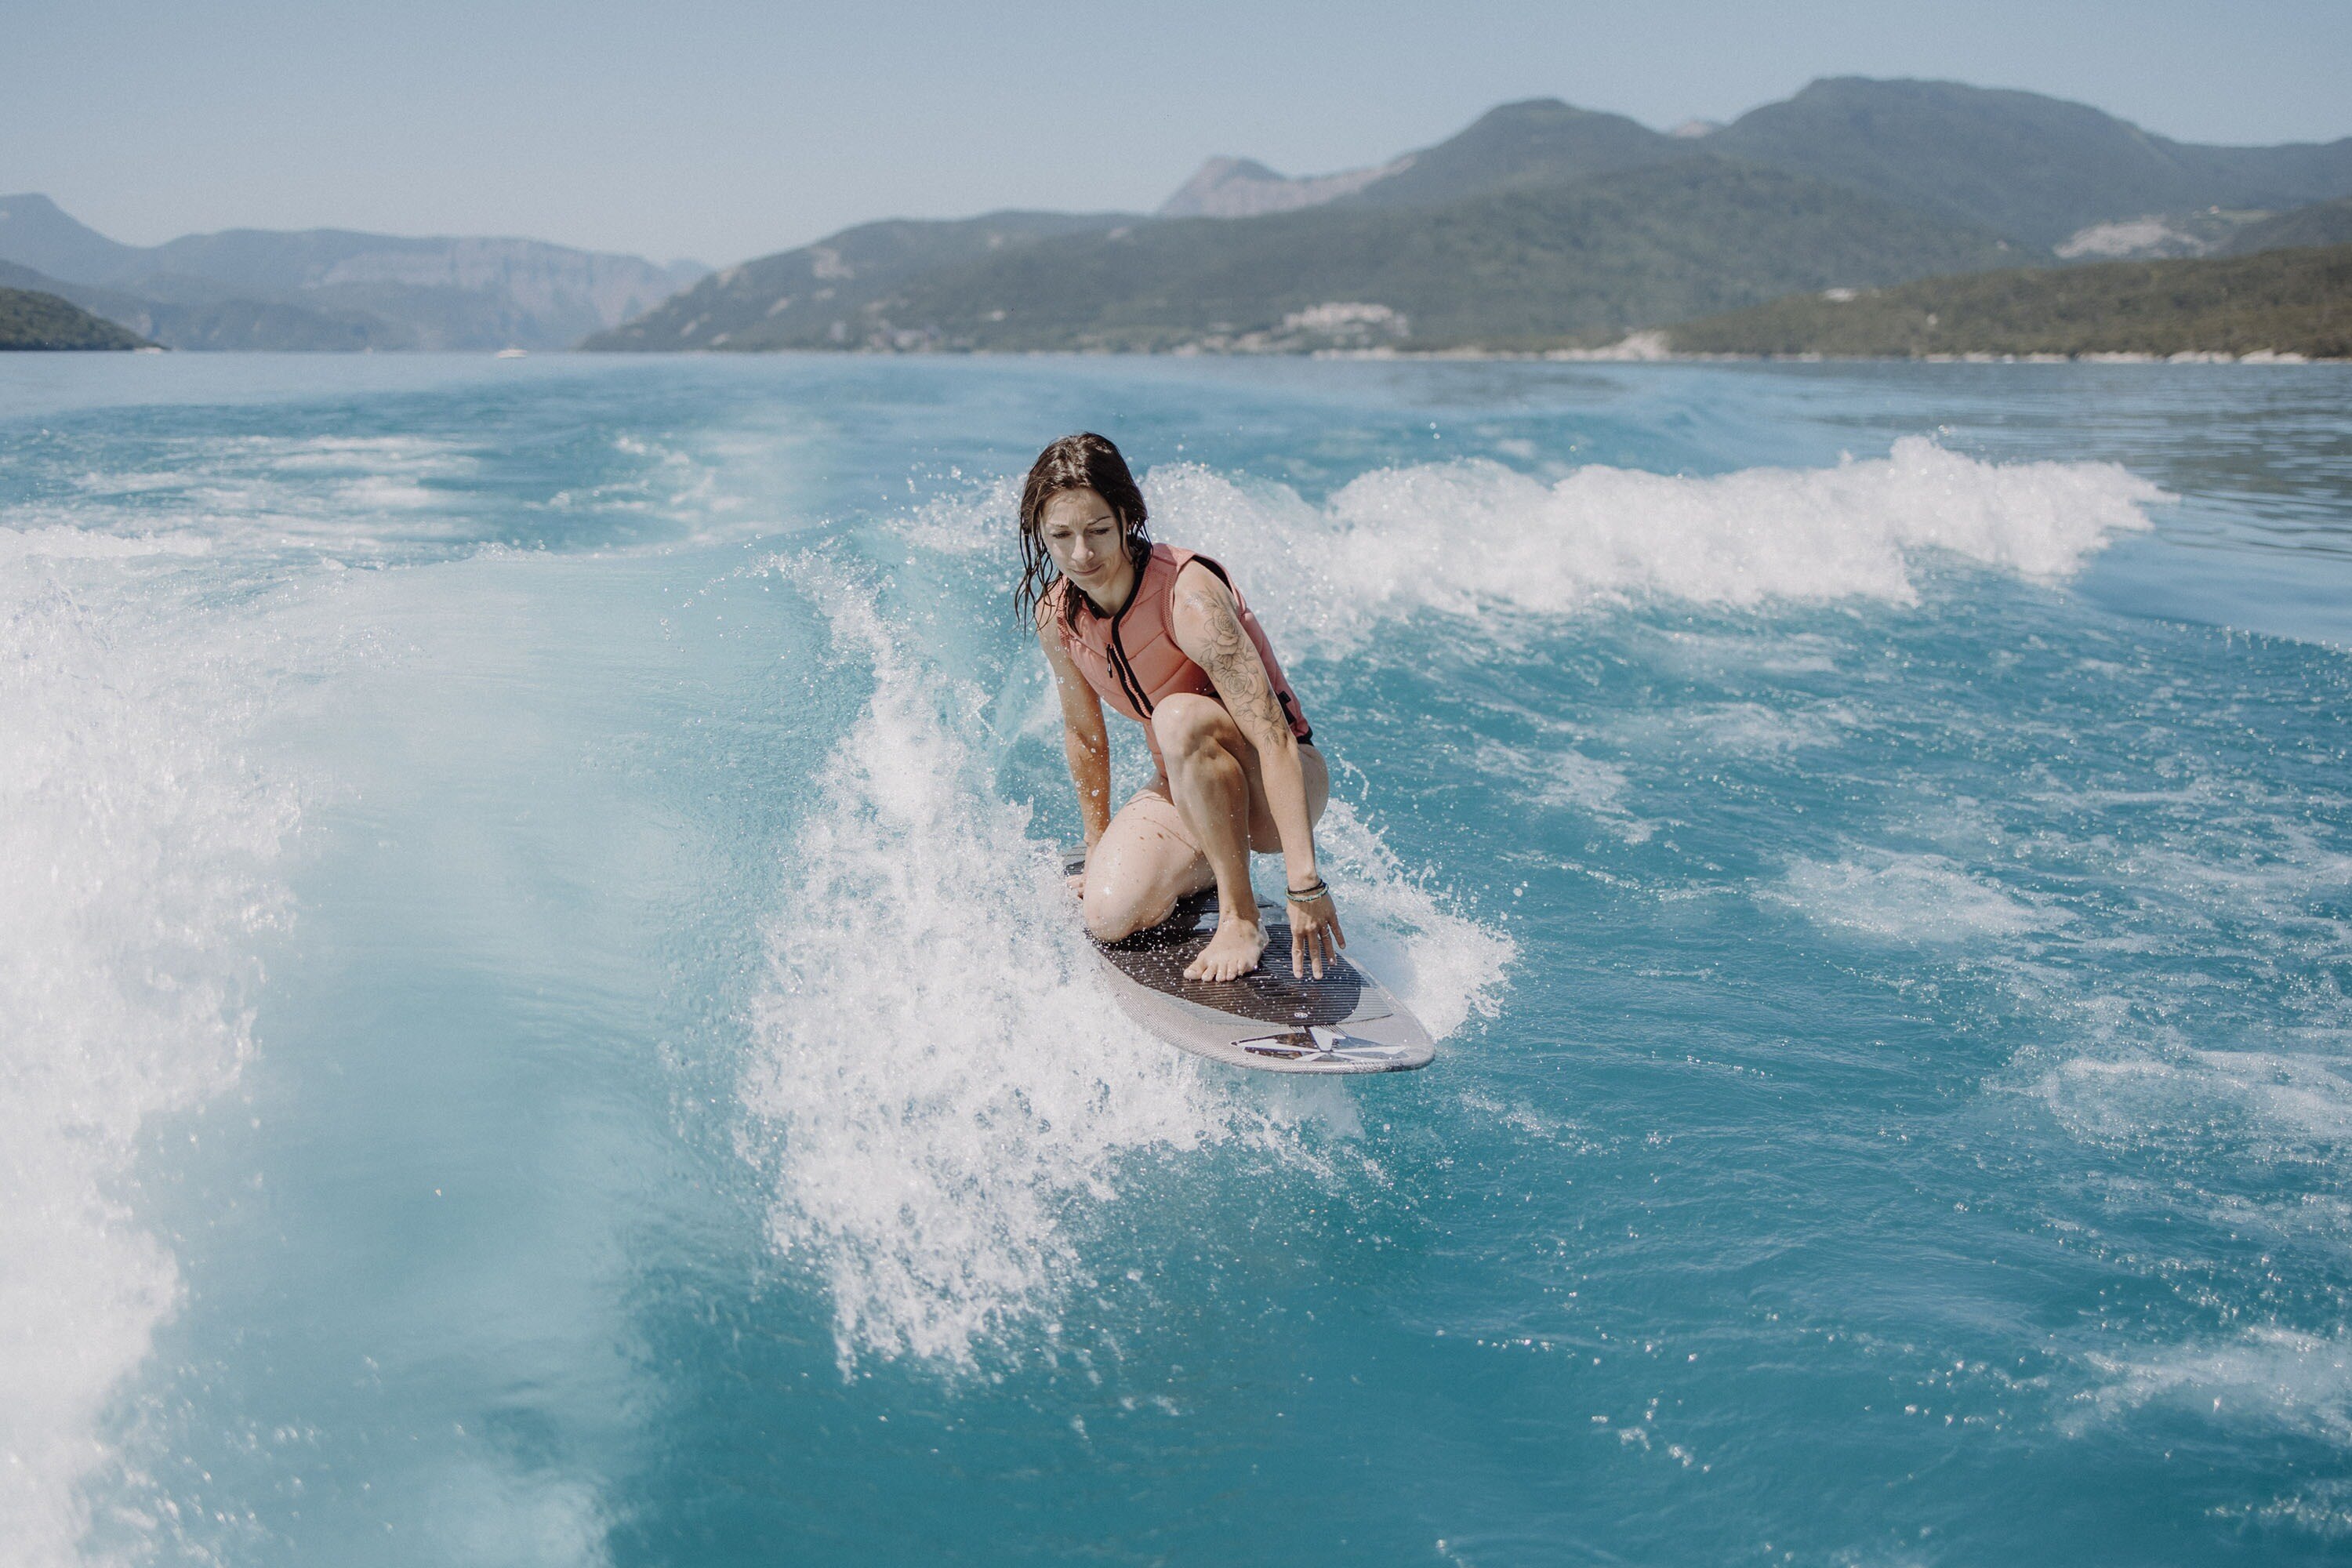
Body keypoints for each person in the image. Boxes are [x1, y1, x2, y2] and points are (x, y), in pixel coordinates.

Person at [1019, 432, 1343, 983]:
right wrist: (1096, 846)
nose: (1082, 555)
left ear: (1127, 518)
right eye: (1062, 536)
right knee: (1109, 915)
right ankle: (1210, 864)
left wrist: (1304, 883)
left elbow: (1274, 736)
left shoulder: (1187, 598)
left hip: (1277, 785)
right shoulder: (1059, 615)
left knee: (1177, 717)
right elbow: (1085, 736)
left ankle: (1241, 917)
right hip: (1190, 787)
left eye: (1098, 531)